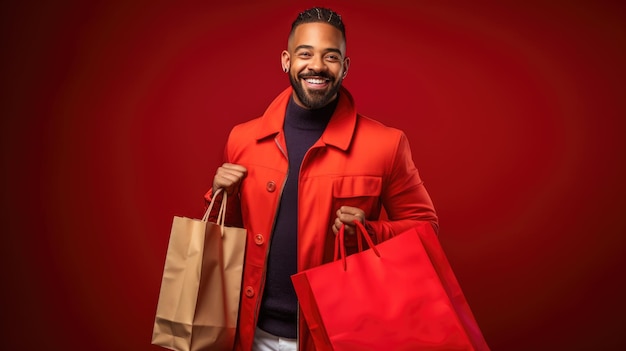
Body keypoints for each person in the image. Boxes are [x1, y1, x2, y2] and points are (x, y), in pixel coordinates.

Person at [205, 7, 438, 351]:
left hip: (338, 337)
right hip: (252, 335)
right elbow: (229, 240)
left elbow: (426, 229)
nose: (317, 66)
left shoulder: (387, 144)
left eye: (331, 56)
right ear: (286, 61)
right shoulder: (242, 139)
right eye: (305, 54)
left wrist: (370, 232)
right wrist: (220, 196)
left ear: (344, 66)